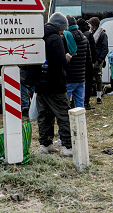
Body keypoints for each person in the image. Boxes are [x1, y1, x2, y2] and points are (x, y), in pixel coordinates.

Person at [37, 12, 73, 158]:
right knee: (64, 114)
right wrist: (67, 57)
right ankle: (67, 147)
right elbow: (60, 60)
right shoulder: (55, 38)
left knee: (45, 115)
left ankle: (45, 145)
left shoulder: (39, 35)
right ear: (60, 26)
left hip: (40, 83)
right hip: (55, 83)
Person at [63, 16, 91, 108]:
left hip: (69, 77)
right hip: (81, 77)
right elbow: (88, 59)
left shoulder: (65, 38)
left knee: (65, 104)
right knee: (79, 103)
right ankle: (80, 121)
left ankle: (67, 121)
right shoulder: (84, 38)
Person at [89, 17, 109, 104]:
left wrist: (100, 59)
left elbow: (105, 48)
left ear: (93, 25)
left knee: (98, 78)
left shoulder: (102, 34)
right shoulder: (91, 33)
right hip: (92, 59)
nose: (89, 26)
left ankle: (98, 97)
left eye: (90, 24)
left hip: (98, 60)